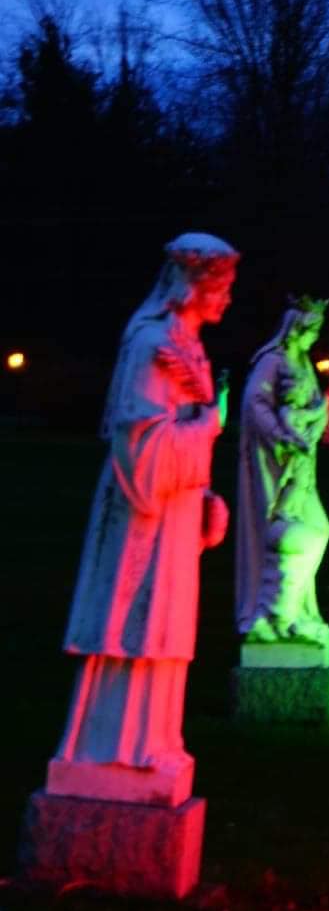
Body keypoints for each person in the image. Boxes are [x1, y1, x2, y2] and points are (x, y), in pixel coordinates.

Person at [53, 232, 238, 798]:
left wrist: (206, 497)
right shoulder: (150, 344)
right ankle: (110, 752)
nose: (227, 301)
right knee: (134, 623)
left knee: (164, 628)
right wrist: (210, 425)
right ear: (192, 287)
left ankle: (153, 740)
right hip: (142, 520)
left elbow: (180, 438)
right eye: (222, 288)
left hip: (175, 515)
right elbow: (144, 454)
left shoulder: (188, 346)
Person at [235, 293, 329, 645]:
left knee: (316, 530)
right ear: (296, 327)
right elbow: (253, 403)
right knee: (290, 535)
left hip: (302, 463)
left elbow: (315, 406)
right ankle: (272, 614)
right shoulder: (271, 361)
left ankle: (293, 611)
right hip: (277, 463)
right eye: (313, 328)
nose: (316, 336)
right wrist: (282, 435)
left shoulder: (303, 361)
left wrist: (317, 420)